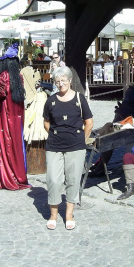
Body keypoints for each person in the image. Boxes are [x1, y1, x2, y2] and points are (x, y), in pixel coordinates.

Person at [43, 66, 93, 230]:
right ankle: (53, 215)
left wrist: (81, 140)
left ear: (70, 81)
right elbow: (46, 123)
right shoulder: (51, 101)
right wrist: (57, 135)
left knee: (73, 180)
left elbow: (89, 122)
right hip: (54, 146)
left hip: (76, 147)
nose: (60, 84)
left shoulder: (79, 98)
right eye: (57, 81)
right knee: (53, 180)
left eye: (63, 80)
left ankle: (69, 215)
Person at [0, 43, 30, 191]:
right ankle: (19, 174)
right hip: (17, 117)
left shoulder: (4, 76)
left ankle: (8, 176)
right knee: (17, 144)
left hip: (6, 118)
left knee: (6, 144)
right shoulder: (18, 77)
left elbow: (0, 95)